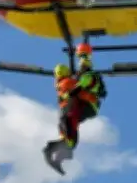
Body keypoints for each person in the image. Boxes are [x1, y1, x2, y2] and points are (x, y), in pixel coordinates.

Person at [42, 45, 107, 175]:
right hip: (70, 113)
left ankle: (58, 156)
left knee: (70, 142)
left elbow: (79, 83)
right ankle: (50, 150)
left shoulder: (62, 84)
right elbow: (80, 82)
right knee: (70, 141)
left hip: (70, 113)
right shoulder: (70, 82)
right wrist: (83, 58)